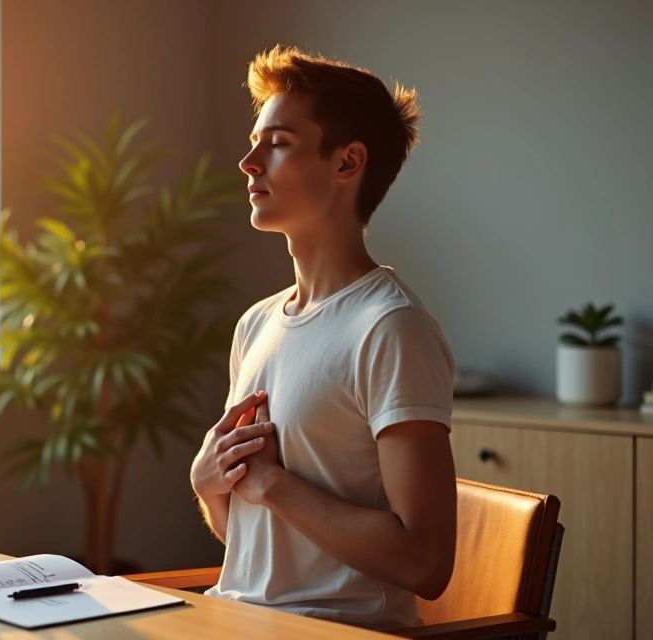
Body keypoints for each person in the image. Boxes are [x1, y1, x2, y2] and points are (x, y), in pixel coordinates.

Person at [189, 45, 457, 631]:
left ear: (346, 162)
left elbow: (426, 561)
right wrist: (211, 486)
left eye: (278, 143)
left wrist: (271, 483)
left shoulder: (391, 328)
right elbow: (265, 538)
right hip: (237, 620)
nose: (248, 162)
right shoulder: (255, 324)